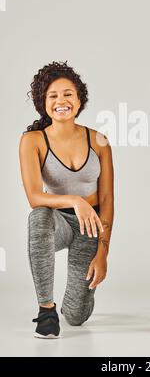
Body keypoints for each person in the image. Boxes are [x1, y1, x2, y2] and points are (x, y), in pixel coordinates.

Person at [19, 61, 114, 338]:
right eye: (53, 95)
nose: (61, 101)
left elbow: (107, 200)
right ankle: (46, 311)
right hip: (57, 221)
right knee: (38, 216)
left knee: (76, 317)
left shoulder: (99, 141)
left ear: (79, 98)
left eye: (68, 94)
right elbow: (34, 196)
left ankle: (74, 304)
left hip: (91, 227)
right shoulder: (32, 140)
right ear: (43, 103)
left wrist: (103, 252)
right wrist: (76, 200)